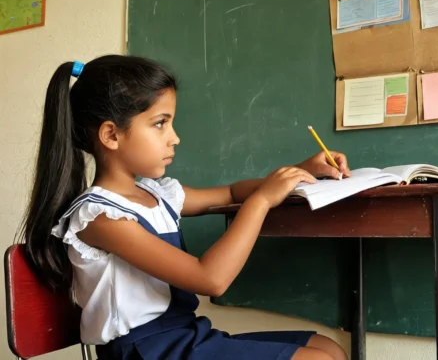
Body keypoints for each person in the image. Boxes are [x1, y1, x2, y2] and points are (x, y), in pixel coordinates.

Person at [20, 55, 351, 360]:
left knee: (328, 348)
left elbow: (232, 192)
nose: (174, 137)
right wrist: (262, 200)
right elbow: (211, 279)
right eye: (160, 123)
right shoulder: (99, 217)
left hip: (184, 336)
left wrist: (299, 172)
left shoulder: (157, 194)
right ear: (111, 135)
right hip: (144, 351)